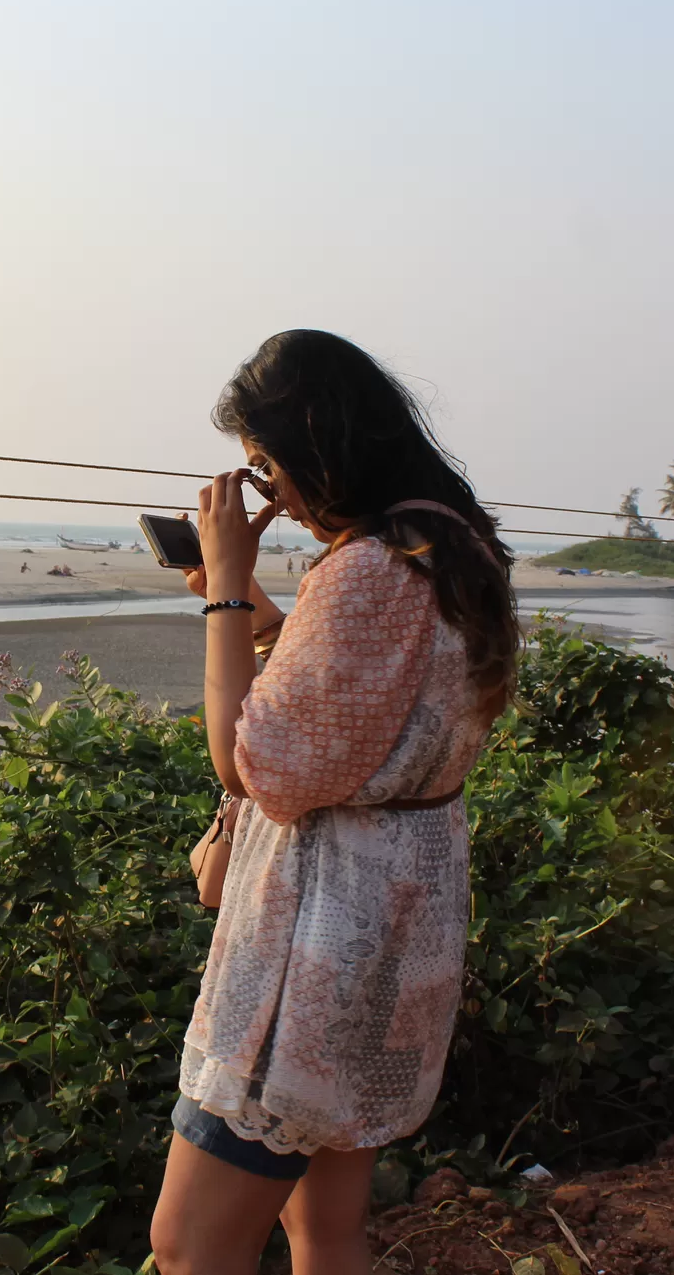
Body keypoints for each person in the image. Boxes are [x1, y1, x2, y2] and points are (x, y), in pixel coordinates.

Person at [151, 330, 517, 1275]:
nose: (272, 495)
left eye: (269, 466)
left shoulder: (364, 572)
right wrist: (274, 619)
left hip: (312, 963)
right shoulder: (450, 544)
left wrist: (228, 592)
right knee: (324, 1231)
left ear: (323, 439)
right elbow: (354, 703)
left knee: (188, 1245)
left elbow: (253, 763)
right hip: (399, 934)